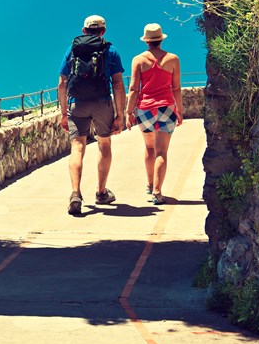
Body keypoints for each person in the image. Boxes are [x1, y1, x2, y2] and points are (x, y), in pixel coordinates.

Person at [58, 15, 126, 215]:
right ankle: (101, 192)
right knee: (104, 144)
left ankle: (75, 194)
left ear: (84, 30)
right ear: (103, 31)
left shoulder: (72, 51)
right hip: (102, 103)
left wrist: (63, 113)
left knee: (77, 147)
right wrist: (119, 114)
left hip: (76, 104)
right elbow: (118, 84)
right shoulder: (110, 51)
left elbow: (62, 83)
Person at [124, 23, 183, 205]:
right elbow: (177, 88)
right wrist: (179, 110)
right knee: (162, 151)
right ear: (161, 39)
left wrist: (129, 112)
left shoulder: (138, 60)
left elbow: (134, 88)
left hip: (145, 109)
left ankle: (150, 185)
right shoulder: (173, 59)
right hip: (166, 108)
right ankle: (157, 192)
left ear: (147, 41)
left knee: (150, 148)